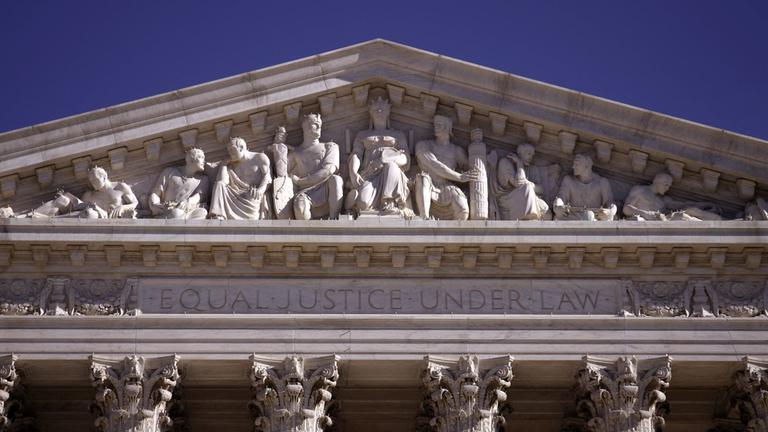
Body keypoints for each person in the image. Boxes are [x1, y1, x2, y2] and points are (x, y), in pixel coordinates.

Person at [346, 97, 411, 216]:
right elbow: (357, 154)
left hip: (392, 174)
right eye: (376, 110)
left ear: (388, 112)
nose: (379, 112)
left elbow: (405, 158)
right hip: (369, 174)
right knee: (363, 203)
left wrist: (383, 160)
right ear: (371, 113)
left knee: (391, 166)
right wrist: (353, 172)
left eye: (382, 110)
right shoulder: (362, 135)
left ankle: (389, 203)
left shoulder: (398, 135)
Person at [414, 115, 480, 220]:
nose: (436, 127)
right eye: (435, 125)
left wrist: (478, 143)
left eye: (439, 125)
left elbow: (473, 170)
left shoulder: (457, 151)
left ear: (448, 127)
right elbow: (434, 165)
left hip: (447, 187)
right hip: (428, 185)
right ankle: (424, 217)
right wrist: (459, 177)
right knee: (423, 178)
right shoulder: (423, 145)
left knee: (463, 211)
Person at [287, 113, 343, 219]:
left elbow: (329, 170)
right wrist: (279, 148)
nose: (319, 127)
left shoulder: (330, 147)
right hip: (305, 192)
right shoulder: (295, 153)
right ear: (305, 127)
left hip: (326, 189)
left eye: (320, 125)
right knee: (300, 210)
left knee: (336, 180)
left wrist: (300, 181)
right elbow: (282, 172)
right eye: (315, 124)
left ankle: (334, 220)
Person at [209, 137, 272, 220]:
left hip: (251, 195)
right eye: (229, 151)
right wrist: (223, 164)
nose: (230, 153)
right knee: (219, 184)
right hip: (235, 194)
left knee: (251, 197)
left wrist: (260, 191)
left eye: (232, 149)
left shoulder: (259, 158)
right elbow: (222, 181)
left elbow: (267, 177)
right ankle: (218, 215)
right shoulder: (231, 164)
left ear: (241, 148)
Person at [623, 172, 722, 221]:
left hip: (663, 221)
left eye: (669, 186)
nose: (667, 188)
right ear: (657, 181)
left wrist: (705, 204)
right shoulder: (640, 190)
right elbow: (626, 209)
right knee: (681, 217)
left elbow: (683, 204)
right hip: (644, 222)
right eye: (666, 185)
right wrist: (644, 213)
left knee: (692, 210)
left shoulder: (663, 200)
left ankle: (719, 222)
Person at [148, 147, 210, 219]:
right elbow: (156, 193)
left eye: (203, 158)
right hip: (167, 211)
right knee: (176, 213)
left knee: (202, 212)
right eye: (200, 157)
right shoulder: (170, 172)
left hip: (187, 211)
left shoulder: (202, 180)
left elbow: (198, 197)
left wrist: (187, 202)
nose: (204, 161)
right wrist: (154, 205)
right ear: (190, 160)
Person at [553, 154, 616, 221]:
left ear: (586, 165)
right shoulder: (569, 180)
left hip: (596, 219)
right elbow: (561, 197)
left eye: (576, 164)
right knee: (557, 217)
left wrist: (610, 212)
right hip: (573, 218)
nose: (573, 167)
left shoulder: (602, 182)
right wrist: (557, 207)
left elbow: (609, 201)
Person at [495, 143, 550, 220]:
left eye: (532, 155)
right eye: (528, 154)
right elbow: (519, 183)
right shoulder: (505, 162)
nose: (531, 158)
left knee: (546, 211)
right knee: (527, 187)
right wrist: (519, 164)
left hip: (529, 196)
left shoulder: (532, 169)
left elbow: (541, 189)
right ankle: (530, 217)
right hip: (508, 198)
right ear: (520, 153)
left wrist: (531, 185)